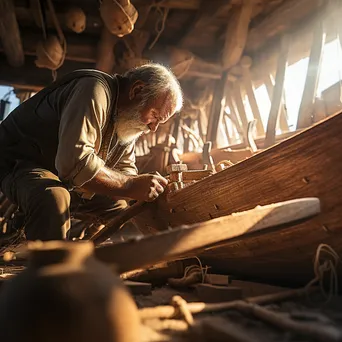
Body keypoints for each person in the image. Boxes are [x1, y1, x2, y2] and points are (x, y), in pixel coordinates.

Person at [0, 63, 183, 241]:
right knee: (53, 197)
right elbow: (74, 163)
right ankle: (50, 269)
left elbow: (124, 169)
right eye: (154, 115)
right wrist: (129, 185)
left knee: (125, 214)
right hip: (20, 164)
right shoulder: (93, 89)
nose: (153, 128)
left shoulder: (127, 118)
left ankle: (116, 267)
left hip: (66, 179)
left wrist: (141, 192)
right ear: (136, 91)